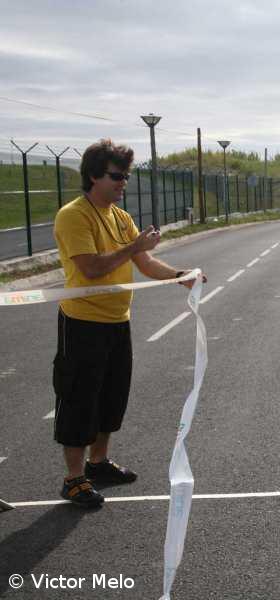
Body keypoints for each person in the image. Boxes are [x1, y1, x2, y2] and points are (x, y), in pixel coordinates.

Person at [53, 139, 203, 508]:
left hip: (118, 321)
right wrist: (133, 247)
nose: (124, 183)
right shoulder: (74, 215)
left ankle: (98, 463)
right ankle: (73, 479)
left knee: (112, 395)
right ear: (93, 176)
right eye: (116, 176)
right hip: (83, 322)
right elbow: (90, 268)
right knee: (78, 398)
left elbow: (146, 263)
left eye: (126, 176)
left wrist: (179, 274)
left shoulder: (120, 217)